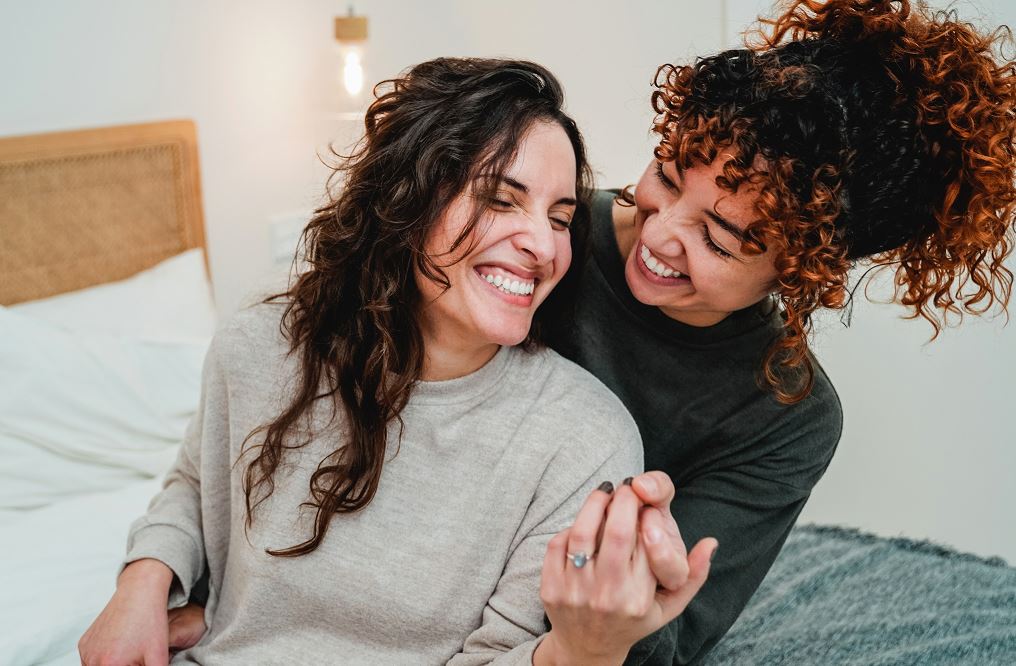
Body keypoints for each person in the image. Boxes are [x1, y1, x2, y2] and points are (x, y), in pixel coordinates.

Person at [77, 58, 716, 666]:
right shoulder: (263, 339)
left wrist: (584, 653)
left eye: (560, 218)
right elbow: (197, 478)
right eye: (500, 198)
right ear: (406, 202)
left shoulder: (581, 441)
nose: (541, 244)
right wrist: (142, 580)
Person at [551, 1, 1016, 663]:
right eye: (664, 173)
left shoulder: (787, 417)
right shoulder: (547, 233)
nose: (656, 234)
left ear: (799, 274)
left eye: (717, 239)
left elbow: (663, 635)